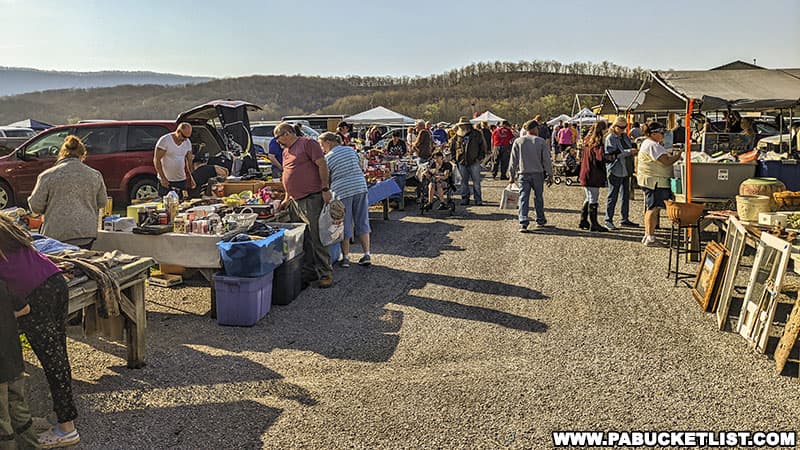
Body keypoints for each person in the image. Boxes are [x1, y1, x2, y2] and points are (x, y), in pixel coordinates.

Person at [0, 214, 80, 448]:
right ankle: (63, 419)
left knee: (53, 361)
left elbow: (16, 304)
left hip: (36, 292)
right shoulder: (5, 224)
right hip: (54, 279)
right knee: (58, 357)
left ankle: (67, 429)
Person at [274, 122, 334, 288]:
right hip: (295, 201)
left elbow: (322, 164)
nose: (277, 141)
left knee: (316, 237)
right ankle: (309, 271)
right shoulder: (286, 151)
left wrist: (325, 188)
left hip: (311, 198)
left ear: (287, 133)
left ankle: (326, 272)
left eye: (277, 137)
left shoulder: (308, 143)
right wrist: (287, 197)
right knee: (303, 238)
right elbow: (288, 174)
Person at [28, 135, 107, 249]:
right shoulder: (95, 175)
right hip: (86, 232)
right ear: (83, 155)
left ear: (61, 153)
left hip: (57, 233)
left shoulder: (47, 175)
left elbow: (35, 206)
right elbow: (102, 202)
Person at [318, 132, 371, 268]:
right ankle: (367, 254)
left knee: (344, 223)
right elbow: (359, 166)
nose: (321, 148)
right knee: (362, 220)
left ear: (328, 143)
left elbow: (326, 177)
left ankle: (346, 257)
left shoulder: (327, 157)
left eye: (322, 144)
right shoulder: (350, 150)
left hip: (342, 191)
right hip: (360, 186)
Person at [0, 279, 40, 450]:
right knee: (18, 406)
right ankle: (32, 445)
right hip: (13, 357)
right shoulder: (3, 283)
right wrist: (7, 316)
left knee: (2, 419)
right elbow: (26, 308)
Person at [636, 122, 682, 247]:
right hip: (655, 181)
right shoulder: (652, 145)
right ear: (654, 133)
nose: (663, 135)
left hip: (651, 180)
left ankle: (648, 235)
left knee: (652, 208)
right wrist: (679, 155)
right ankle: (650, 237)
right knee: (653, 208)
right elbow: (666, 161)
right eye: (661, 133)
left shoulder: (649, 144)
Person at [509, 120, 552, 231]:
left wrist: (511, 175)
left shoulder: (518, 141)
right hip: (538, 173)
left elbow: (513, 160)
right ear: (534, 129)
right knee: (538, 197)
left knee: (523, 198)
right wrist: (550, 174)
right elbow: (546, 160)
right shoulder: (541, 141)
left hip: (523, 173)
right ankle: (540, 220)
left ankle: (523, 221)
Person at [604, 117, 639, 230]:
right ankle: (608, 220)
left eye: (624, 127)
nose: (623, 130)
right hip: (615, 169)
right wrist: (629, 152)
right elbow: (612, 154)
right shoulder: (610, 138)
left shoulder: (624, 137)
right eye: (621, 127)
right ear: (614, 126)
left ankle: (624, 218)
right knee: (612, 195)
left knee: (625, 195)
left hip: (626, 169)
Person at [579, 121, 611, 232]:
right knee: (593, 198)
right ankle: (594, 223)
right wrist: (611, 157)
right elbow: (600, 158)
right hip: (593, 173)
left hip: (585, 171)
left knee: (588, 197)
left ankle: (583, 220)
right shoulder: (597, 143)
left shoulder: (587, 140)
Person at [449, 117, 487, 206]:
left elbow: (482, 146)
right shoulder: (457, 136)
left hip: (474, 161)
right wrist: (454, 158)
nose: (462, 127)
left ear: (467, 125)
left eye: (463, 125)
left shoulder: (476, 134)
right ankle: (465, 198)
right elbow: (452, 148)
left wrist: (479, 158)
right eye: (460, 125)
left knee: (476, 182)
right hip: (461, 162)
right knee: (463, 182)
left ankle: (478, 200)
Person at [154, 122, 195, 200]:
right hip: (167, 180)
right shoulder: (165, 140)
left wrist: (192, 177)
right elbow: (157, 159)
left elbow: (189, 161)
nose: (185, 139)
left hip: (181, 179)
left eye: (188, 137)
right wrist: (163, 178)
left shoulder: (187, 142)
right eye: (184, 136)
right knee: (166, 204)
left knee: (182, 203)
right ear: (178, 131)